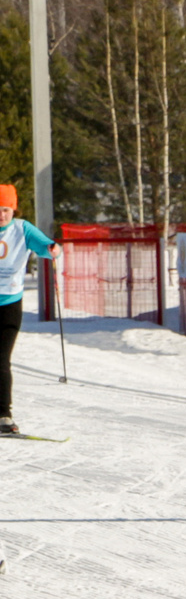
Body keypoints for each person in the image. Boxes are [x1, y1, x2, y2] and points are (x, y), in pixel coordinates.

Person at [0, 185, 58, 439]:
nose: (1, 215)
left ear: (14, 209)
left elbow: (45, 245)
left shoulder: (21, 229)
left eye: (5, 209)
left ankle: (3, 415)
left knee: (1, 360)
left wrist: (53, 249)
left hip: (9, 303)